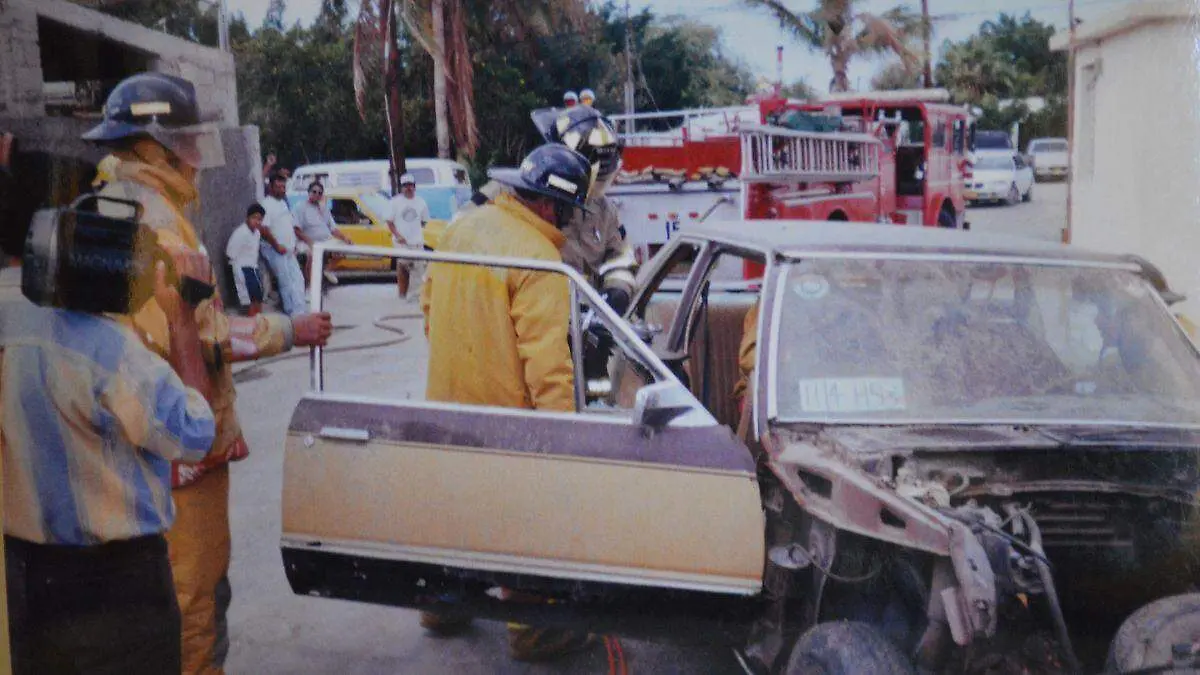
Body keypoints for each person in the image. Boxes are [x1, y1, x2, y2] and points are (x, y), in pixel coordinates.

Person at [83, 72, 335, 675]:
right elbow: (203, 334)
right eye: (188, 140)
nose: (198, 154)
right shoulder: (160, 226)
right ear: (158, 145)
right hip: (175, 456)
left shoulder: (110, 203)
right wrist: (288, 330)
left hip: (124, 453)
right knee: (194, 603)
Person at [0, 130, 216, 673]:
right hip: (117, 590)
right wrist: (185, 320)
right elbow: (193, 435)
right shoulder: (103, 348)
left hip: (25, 578)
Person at [420, 144, 594, 660]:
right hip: (505, 422)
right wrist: (562, 438)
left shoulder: (462, 228)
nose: (564, 220)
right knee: (522, 524)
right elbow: (547, 364)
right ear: (548, 206)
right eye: (565, 210)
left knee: (455, 512)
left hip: (447, 407)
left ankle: (443, 606)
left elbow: (429, 310)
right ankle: (535, 631)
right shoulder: (539, 258)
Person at [531, 106, 637, 378]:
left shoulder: (603, 210)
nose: (596, 189)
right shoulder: (532, 203)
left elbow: (620, 256)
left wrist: (617, 293)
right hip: (539, 328)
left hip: (587, 329)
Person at [259, 172, 307, 316]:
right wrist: (276, 246)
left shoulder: (283, 203)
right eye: (278, 187)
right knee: (286, 282)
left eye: (283, 187)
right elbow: (264, 229)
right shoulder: (266, 204)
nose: (282, 189)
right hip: (275, 250)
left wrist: (294, 245)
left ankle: (300, 311)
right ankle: (292, 312)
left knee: (298, 280)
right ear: (271, 187)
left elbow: (288, 226)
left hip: (288, 250)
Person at [292, 180, 350, 285]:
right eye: (314, 192)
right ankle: (310, 286)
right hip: (306, 242)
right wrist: (310, 242)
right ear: (308, 192)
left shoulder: (324, 208)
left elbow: (333, 229)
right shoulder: (300, 207)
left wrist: (345, 238)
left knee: (345, 248)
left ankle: (327, 270)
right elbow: (296, 230)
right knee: (312, 255)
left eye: (319, 193)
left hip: (325, 240)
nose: (317, 195)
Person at [387, 172, 430, 300]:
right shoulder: (395, 202)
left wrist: (416, 232)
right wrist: (398, 235)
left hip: (416, 242)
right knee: (403, 266)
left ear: (415, 186)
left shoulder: (421, 202)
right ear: (401, 187)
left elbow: (424, 221)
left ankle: (417, 296)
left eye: (411, 185)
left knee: (419, 269)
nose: (408, 188)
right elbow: (389, 222)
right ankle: (402, 294)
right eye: (405, 185)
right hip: (401, 242)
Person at [227, 204, 267, 317]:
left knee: (258, 297)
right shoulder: (240, 233)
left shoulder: (257, 233)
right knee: (249, 300)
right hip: (242, 269)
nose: (257, 221)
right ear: (247, 218)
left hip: (253, 268)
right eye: (254, 218)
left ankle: (259, 323)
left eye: (260, 219)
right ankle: (251, 323)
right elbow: (230, 254)